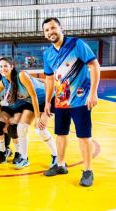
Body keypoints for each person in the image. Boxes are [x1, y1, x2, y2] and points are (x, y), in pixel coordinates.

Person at [42, 17, 100, 187]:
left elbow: (94, 66)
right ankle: (60, 165)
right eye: (47, 30)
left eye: (53, 28)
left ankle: (88, 171)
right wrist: (47, 101)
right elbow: (49, 79)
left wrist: (93, 93)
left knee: (83, 135)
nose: (51, 32)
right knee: (61, 134)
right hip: (61, 101)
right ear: (45, 35)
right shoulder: (47, 54)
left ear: (61, 28)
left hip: (81, 100)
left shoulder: (77, 44)